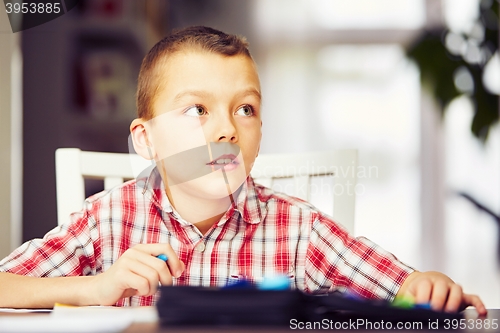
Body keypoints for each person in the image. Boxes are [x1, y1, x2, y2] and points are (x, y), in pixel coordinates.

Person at [0, 26, 487, 314]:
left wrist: (427, 288)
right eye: (197, 110)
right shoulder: (106, 220)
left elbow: (403, 290)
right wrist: (93, 287)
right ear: (145, 139)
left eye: (245, 109)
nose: (228, 131)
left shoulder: (300, 230)